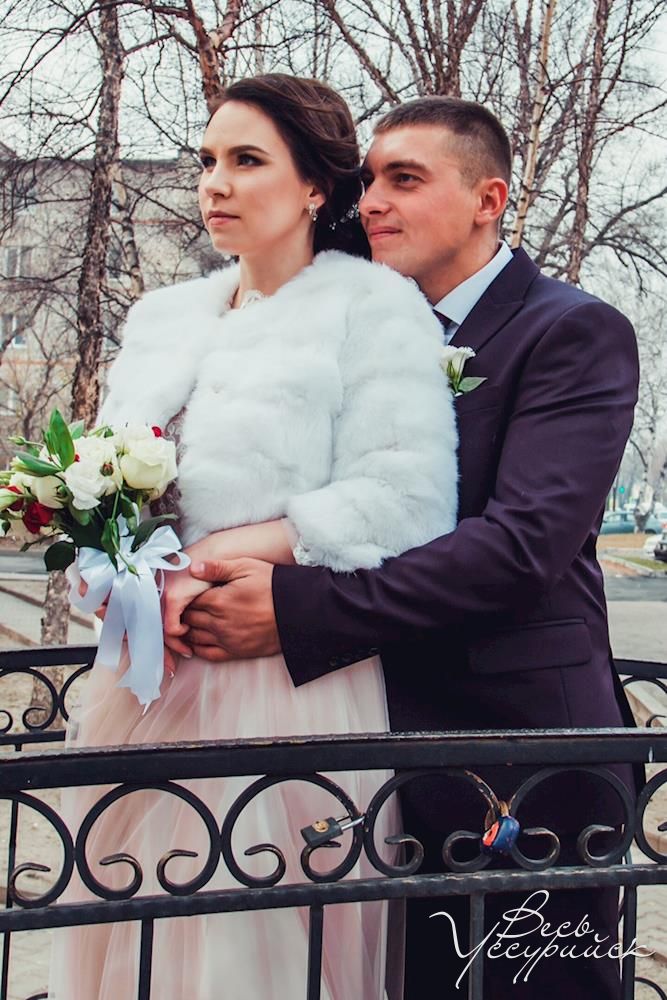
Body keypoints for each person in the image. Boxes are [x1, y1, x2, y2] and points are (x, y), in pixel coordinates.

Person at [178, 97, 640, 1000]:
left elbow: (520, 547)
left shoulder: (569, 331)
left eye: (405, 179)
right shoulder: (352, 326)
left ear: (487, 200)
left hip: (517, 754)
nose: (373, 202)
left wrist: (294, 610)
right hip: (365, 749)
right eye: (367, 181)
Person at [48, 77, 458, 1000]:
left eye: (246, 160)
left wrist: (212, 560)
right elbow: (104, 483)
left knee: (252, 949)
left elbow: (404, 498)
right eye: (206, 161)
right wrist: (106, 562)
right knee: (130, 941)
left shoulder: (371, 306)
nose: (216, 183)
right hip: (142, 680)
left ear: (314, 185)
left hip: (280, 679)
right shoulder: (162, 320)